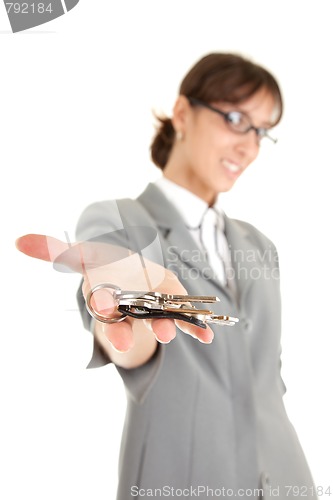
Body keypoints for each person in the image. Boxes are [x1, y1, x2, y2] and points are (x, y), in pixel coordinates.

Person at [16, 53, 317, 499]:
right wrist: (121, 310)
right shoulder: (121, 218)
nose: (249, 147)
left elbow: (269, 380)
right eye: (236, 119)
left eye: (261, 131)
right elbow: (130, 339)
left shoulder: (260, 246)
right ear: (182, 113)